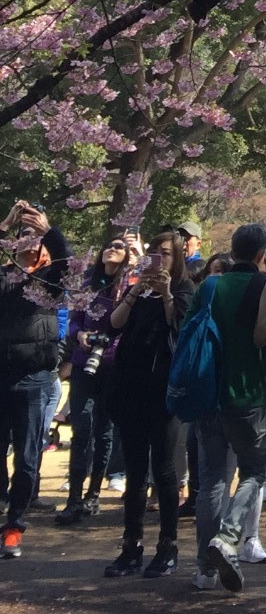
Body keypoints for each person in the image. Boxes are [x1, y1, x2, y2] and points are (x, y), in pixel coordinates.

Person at [193, 222, 266, 592]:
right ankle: (229, 535)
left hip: (208, 394)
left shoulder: (209, 286)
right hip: (248, 396)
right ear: (262, 254)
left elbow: (192, 330)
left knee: (211, 482)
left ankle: (204, 569)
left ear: (232, 252)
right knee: (253, 472)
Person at [101, 227, 194, 579]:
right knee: (136, 472)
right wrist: (134, 291)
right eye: (154, 252)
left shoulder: (185, 289)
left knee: (165, 471)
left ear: (179, 257)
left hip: (164, 392)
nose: (159, 259)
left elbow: (182, 328)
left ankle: (168, 546)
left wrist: (168, 294)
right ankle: (131, 545)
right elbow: (113, 325)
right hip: (131, 388)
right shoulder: (139, 290)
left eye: (166, 253)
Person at [57, 234, 132, 524]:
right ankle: (73, 497)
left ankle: (93, 495)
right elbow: (74, 318)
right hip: (83, 364)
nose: (112, 250)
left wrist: (108, 344)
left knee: (104, 430)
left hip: (112, 365)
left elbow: (127, 325)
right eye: (109, 245)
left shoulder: (128, 285)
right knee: (82, 428)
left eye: (119, 247)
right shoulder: (87, 283)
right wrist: (80, 335)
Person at [0, 226, 62, 560]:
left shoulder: (50, 282)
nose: (30, 246)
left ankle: (13, 527)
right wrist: (4, 228)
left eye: (35, 241)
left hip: (35, 379)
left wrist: (50, 230)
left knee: (26, 459)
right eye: (22, 240)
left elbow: (66, 262)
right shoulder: (5, 278)